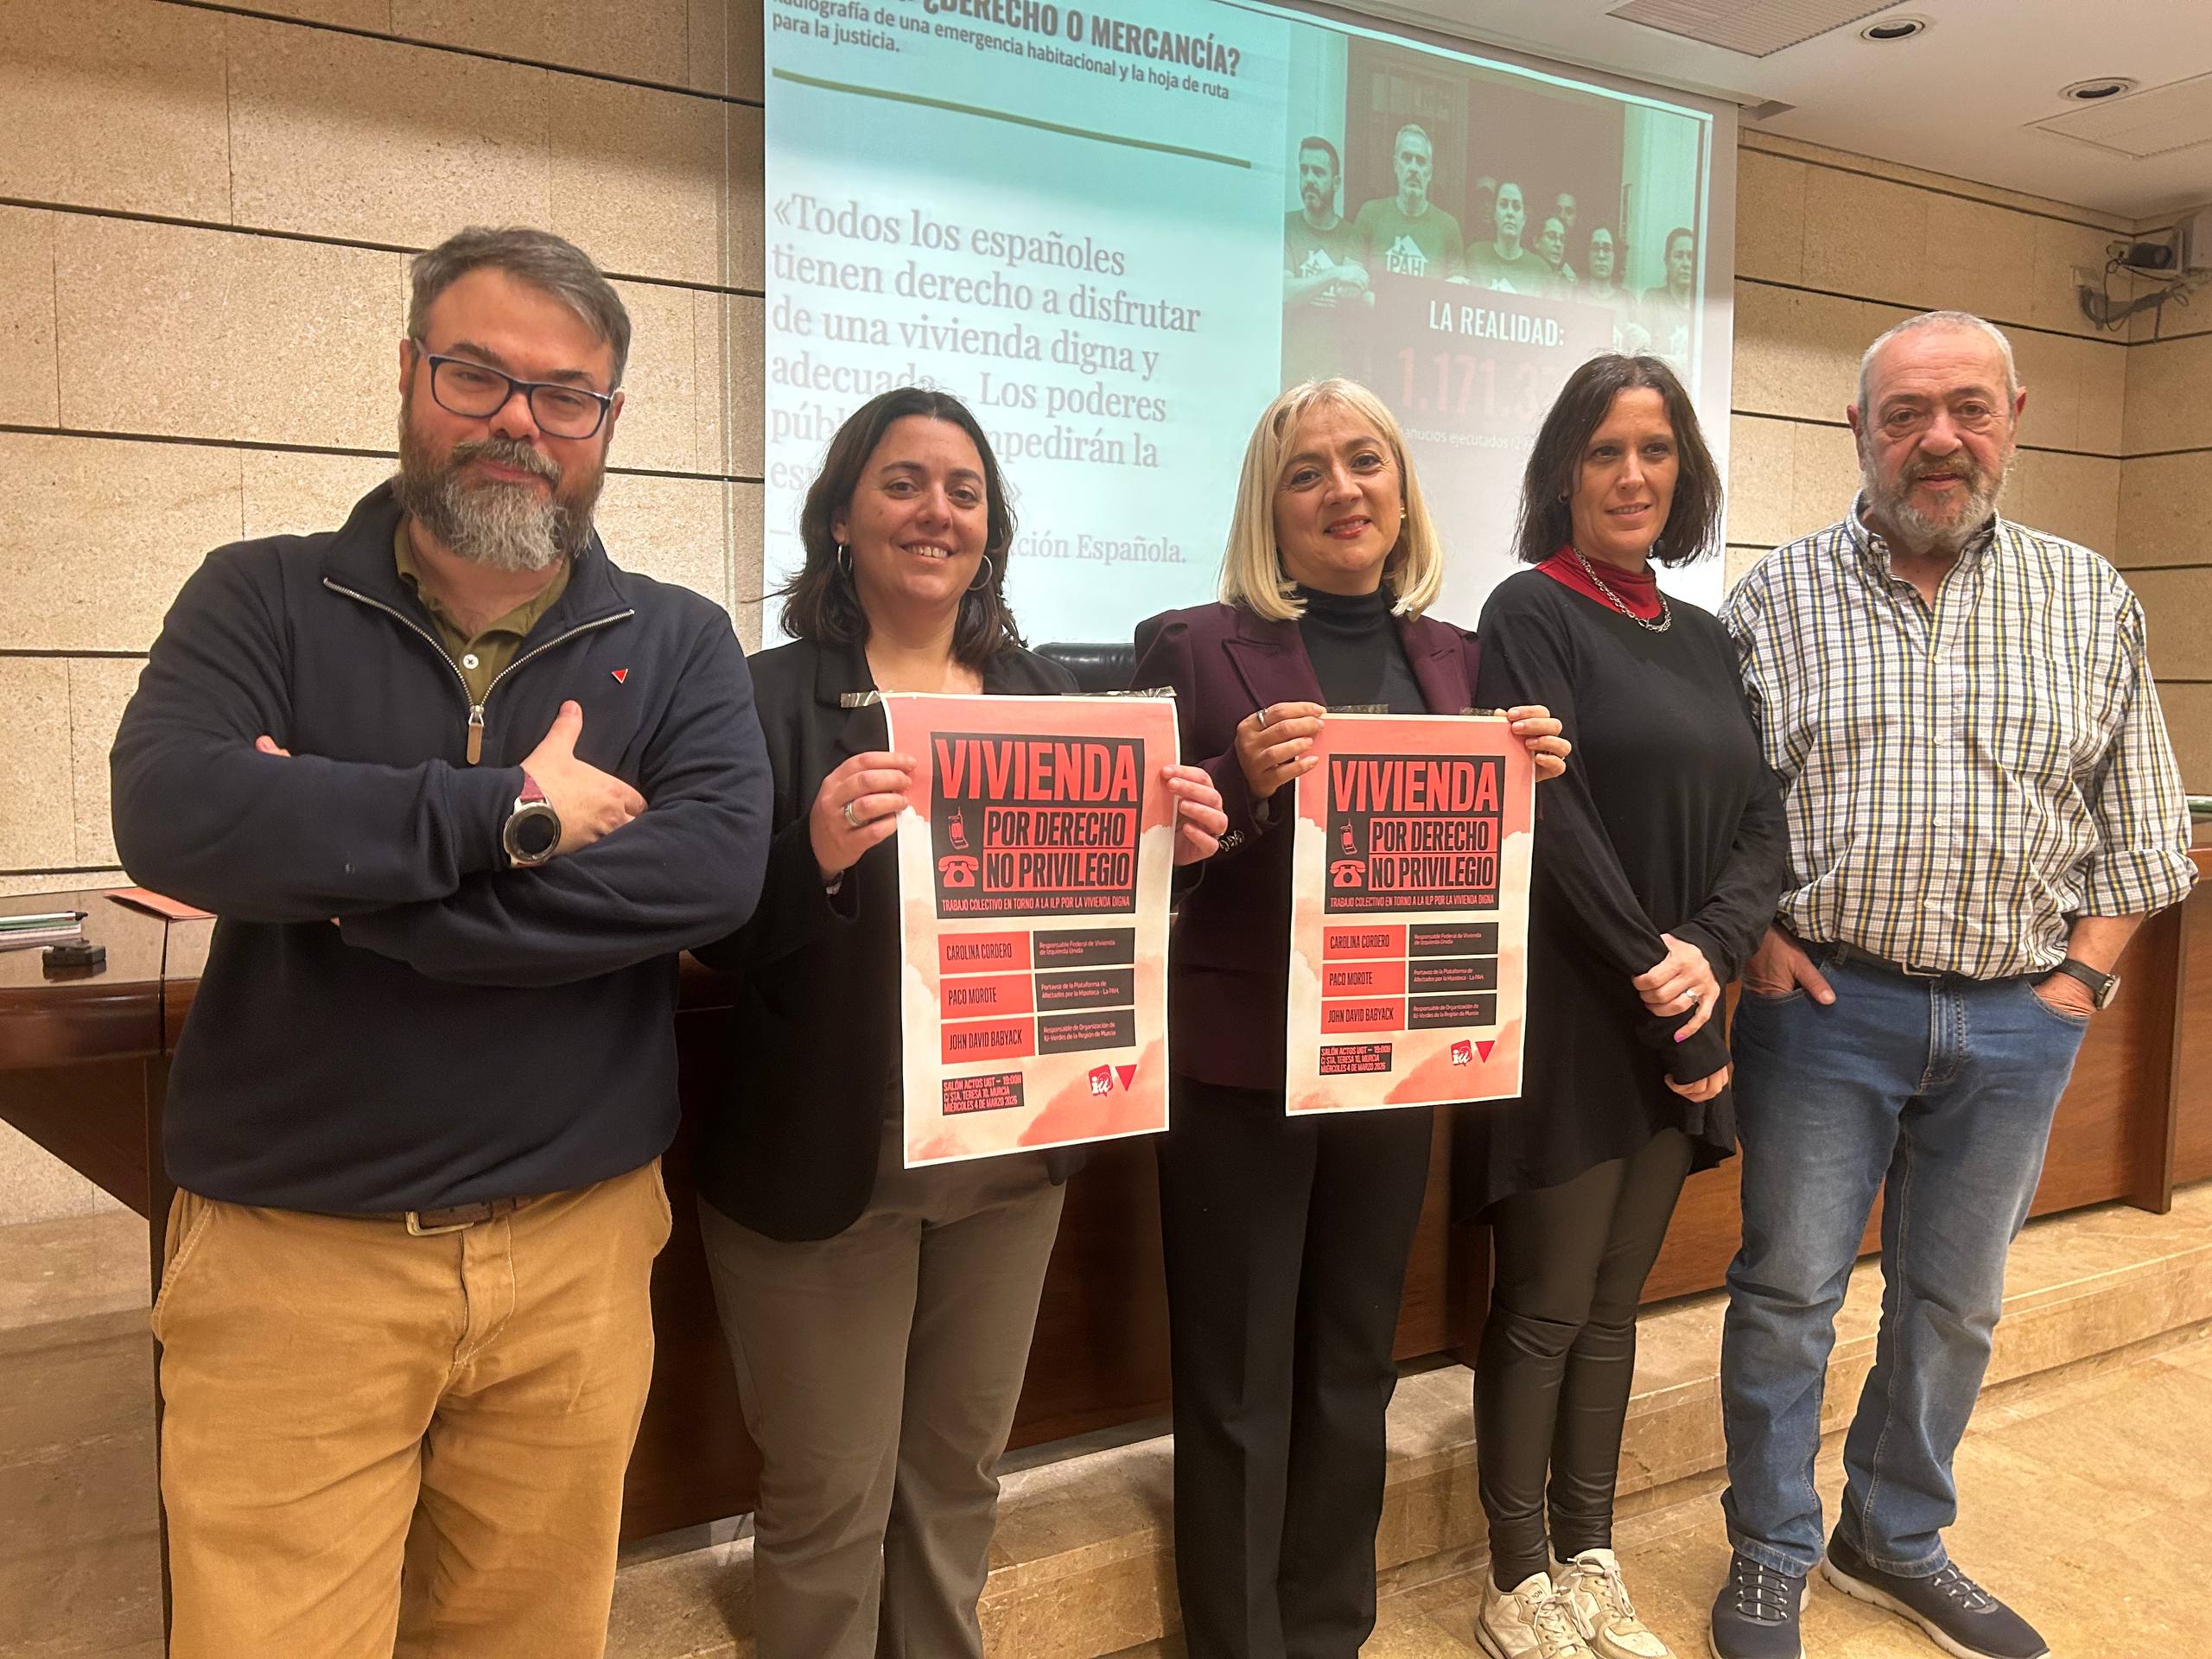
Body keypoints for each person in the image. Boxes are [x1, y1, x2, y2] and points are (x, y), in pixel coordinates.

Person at [108, 226, 773, 1658]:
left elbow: (711, 874)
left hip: (577, 1260)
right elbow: (172, 814)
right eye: (477, 374)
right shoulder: (258, 596)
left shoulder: (679, 642)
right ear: (410, 374)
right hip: (296, 1260)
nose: (518, 421)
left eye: (565, 393)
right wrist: (511, 812)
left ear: (608, 423)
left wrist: (352, 882)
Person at [688, 387, 1225, 1659]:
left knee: (958, 1484)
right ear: (839, 518)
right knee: (828, 1504)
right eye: (903, 483)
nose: (935, 511)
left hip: (1006, 1167)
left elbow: (1097, 925)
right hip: (824, 1168)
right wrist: (813, 853)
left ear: (991, 530)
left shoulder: (1053, 697)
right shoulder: (758, 696)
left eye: (963, 491)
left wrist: (1177, 859)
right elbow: (708, 927)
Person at [1708, 310, 2195, 1659]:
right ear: (1856, 431)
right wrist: (1756, 937)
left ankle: (1894, 1536)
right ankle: (1771, 1547)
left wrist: (2079, 982)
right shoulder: (1770, 603)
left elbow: (2143, 826)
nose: (1940, 439)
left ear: (2014, 417)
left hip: (2016, 1018)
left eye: (1969, 409)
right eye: (1907, 413)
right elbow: (1724, 815)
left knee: (1956, 1303)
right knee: (1789, 1293)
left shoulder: (2090, 598)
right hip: (1825, 1011)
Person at [1132, 378, 1571, 1659]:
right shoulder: (1191, 644)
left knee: (1351, 1365)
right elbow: (1138, 864)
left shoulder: (1461, 661)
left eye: (1365, 460)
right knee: (1236, 1382)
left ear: (1402, 487)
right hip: (1238, 1074)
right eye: (1306, 471)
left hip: (1394, 1059)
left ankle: (1329, 1631)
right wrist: (1234, 780)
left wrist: (1529, 778)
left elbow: (1476, 868)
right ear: (1269, 507)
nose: (1342, 489)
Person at [1462, 354, 1783, 1659]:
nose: (1633, 475)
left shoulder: (1705, 637)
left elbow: (1762, 821)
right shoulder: (1527, 611)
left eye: (1656, 450)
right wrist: (1669, 989)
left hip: (1681, 1005)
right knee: (1544, 1306)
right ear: (1565, 473)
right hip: (1575, 1019)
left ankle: (1588, 1557)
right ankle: (1515, 1580)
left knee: (1612, 1308)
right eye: (1605, 451)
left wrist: (1710, 951)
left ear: (1684, 474)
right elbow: (1550, 821)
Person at [1283, 135, 1371, 385]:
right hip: (1292, 379)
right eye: (1304, 171)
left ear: (1336, 182)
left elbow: (1364, 297)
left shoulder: (1353, 235)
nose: (1310, 179)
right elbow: (1285, 294)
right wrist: (1335, 274)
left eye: (1319, 172)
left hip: (1339, 380)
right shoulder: (1286, 226)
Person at [1353, 124, 1465, 283]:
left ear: (1430, 172)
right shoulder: (1370, 214)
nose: (1413, 168)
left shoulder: (1448, 227)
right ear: (1395, 164)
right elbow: (1350, 279)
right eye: (1406, 158)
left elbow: (1457, 289)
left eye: (1420, 161)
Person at [1465, 181, 1544, 296]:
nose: (1510, 212)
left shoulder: (1540, 269)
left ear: (1524, 219)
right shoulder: (1475, 255)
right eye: (1503, 205)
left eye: (1516, 207)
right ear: (1494, 214)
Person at [1638, 228, 1697, 364]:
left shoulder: (1704, 308)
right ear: (1667, 261)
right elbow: (1643, 357)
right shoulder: (1653, 299)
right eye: (1679, 256)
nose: (1685, 264)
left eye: (1690, 257)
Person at [1534, 214, 1578, 295]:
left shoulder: (1569, 282)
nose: (1558, 244)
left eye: (1562, 240)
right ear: (1536, 241)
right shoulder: (1523, 275)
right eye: (1552, 237)